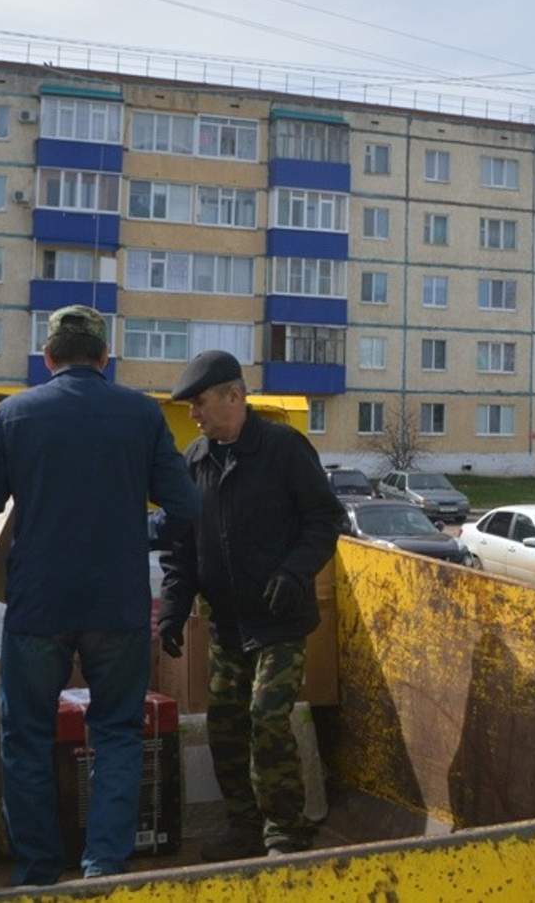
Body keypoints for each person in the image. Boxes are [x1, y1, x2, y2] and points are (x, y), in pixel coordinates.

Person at [0, 305, 198, 885]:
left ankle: (38, 871)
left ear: (49, 358)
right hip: (117, 604)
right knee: (116, 734)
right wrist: (135, 534)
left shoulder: (13, 414)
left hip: (39, 605)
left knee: (28, 736)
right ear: (104, 359)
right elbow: (186, 507)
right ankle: (104, 868)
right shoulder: (141, 414)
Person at [155, 349, 344, 861]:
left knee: (266, 718)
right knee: (226, 727)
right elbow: (180, 547)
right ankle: (245, 824)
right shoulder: (194, 461)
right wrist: (173, 608)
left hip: (280, 620)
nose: (193, 414)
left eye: (200, 403)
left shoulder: (284, 449)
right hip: (227, 626)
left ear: (234, 396)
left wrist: (294, 571)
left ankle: (285, 829)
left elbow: (325, 520)